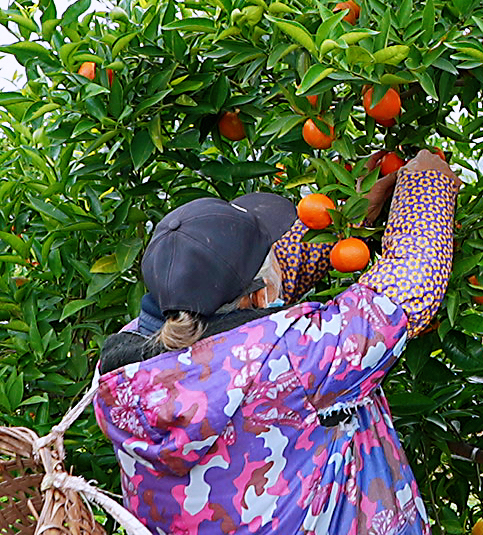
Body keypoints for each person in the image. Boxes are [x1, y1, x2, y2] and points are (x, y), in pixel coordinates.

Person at [93, 148, 461, 535]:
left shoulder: (124, 367)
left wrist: (343, 217)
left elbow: (250, 294)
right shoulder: (291, 359)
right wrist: (426, 187)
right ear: (257, 296)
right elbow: (408, 290)